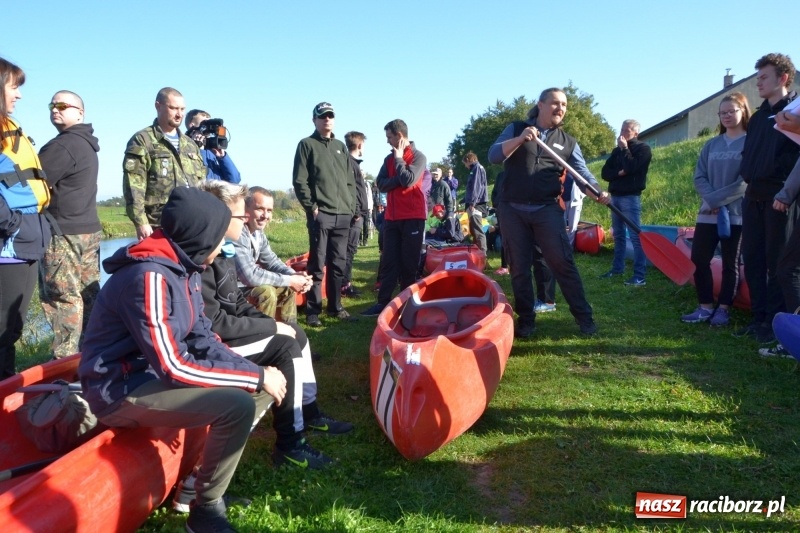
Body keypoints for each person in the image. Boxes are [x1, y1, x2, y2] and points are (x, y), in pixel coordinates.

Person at [79, 187, 285, 533]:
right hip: (118, 388)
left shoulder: (182, 268)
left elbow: (203, 338)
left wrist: (255, 373)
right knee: (237, 404)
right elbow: (173, 364)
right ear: (199, 236)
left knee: (257, 383)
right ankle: (204, 512)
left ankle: (200, 480)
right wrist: (252, 379)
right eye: (218, 240)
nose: (222, 249)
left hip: (149, 377)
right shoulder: (149, 278)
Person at [197, 180, 352, 471]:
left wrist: (273, 322)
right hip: (211, 342)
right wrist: (272, 329)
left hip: (225, 327)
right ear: (218, 217)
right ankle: (290, 445)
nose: (246, 219)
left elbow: (235, 302)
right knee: (285, 346)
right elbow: (215, 320)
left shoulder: (221, 249)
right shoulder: (206, 256)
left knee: (296, 333)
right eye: (241, 214)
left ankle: (309, 412)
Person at [488, 87, 611, 338]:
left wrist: (598, 191)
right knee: (520, 267)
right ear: (541, 105)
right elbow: (494, 156)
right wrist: (521, 138)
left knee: (562, 262)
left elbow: (581, 173)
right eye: (555, 103)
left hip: (547, 209)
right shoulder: (516, 127)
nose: (560, 108)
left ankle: (584, 317)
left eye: (564, 105)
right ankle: (527, 320)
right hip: (512, 208)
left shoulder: (567, 142)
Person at [735, 53, 800, 346]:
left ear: (783, 78)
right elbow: (749, 155)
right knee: (753, 259)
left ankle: (777, 323)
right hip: (752, 198)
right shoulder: (760, 117)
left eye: (764, 77)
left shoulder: (795, 115)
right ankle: (758, 318)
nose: (758, 82)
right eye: (757, 77)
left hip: (780, 200)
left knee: (778, 263)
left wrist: (783, 191)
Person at [37, 90, 101, 359]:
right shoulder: (86, 144)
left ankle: (63, 370)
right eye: (52, 105)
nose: (55, 109)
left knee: (62, 299)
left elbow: (33, 186)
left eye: (63, 105)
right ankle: (94, 361)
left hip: (63, 233)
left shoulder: (63, 146)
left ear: (80, 113)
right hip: (88, 232)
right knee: (89, 298)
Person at [0, 58, 52, 379]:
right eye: (13, 87)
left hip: (26, 244)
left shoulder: (8, 130)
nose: (18, 95)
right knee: (3, 335)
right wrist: (14, 224)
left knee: (11, 333)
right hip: (9, 249)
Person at [680, 93, 750, 328]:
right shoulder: (712, 144)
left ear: (743, 111)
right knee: (699, 259)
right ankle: (705, 307)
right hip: (707, 215)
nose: (727, 116)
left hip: (736, 216)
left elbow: (745, 182)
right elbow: (699, 176)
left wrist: (716, 201)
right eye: (723, 113)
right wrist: (711, 201)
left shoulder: (750, 143)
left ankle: (723, 309)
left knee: (730, 263)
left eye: (732, 111)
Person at [292, 102, 356, 327]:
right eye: (322, 116)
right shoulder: (306, 145)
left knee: (338, 263)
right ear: (314, 120)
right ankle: (313, 310)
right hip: (322, 214)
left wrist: (353, 207)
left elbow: (350, 180)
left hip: (343, 214)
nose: (327, 119)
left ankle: (336, 306)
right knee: (317, 264)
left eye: (330, 116)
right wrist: (312, 207)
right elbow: (300, 181)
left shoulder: (340, 145)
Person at [361, 119, 427, 316]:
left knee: (409, 264)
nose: (387, 141)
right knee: (389, 261)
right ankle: (383, 303)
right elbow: (381, 184)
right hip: (392, 217)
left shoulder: (418, 157)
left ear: (400, 136)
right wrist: (398, 176)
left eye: (389, 137)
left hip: (413, 217)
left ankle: (407, 304)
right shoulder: (388, 159)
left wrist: (399, 161)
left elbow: (408, 180)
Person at [122, 87, 206, 241]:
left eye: (182, 109)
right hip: (159, 226)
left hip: (192, 224)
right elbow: (133, 186)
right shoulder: (143, 140)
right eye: (173, 108)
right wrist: (141, 222)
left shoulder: (190, 145)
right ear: (158, 106)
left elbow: (202, 185)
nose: (179, 114)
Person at [233, 187, 312, 324]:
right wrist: (289, 280)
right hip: (230, 291)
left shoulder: (258, 233)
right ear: (246, 209)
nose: (265, 215)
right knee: (266, 292)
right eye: (260, 209)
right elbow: (250, 275)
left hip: (245, 286)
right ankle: (264, 339)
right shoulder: (238, 233)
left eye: (269, 211)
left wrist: (294, 276)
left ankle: (289, 335)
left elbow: (272, 262)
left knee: (287, 288)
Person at [600, 119, 652, 287]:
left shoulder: (643, 149)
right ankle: (617, 269)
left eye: (628, 129)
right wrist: (619, 172)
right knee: (619, 235)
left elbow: (631, 167)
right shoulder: (616, 151)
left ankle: (639, 275)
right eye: (622, 128)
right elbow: (605, 173)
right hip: (615, 197)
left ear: (636, 133)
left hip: (630, 197)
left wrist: (624, 149)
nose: (623, 132)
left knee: (636, 236)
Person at [342, 131, 368, 298]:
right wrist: (357, 211)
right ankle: (344, 285)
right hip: (354, 215)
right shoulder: (350, 164)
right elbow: (351, 190)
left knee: (350, 249)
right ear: (359, 145)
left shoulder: (352, 164)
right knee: (349, 250)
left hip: (356, 214)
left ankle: (346, 282)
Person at [185, 109, 241, 184]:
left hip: (217, 194)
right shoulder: (183, 147)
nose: (208, 128)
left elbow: (234, 180)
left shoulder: (212, 150)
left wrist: (223, 157)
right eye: (204, 124)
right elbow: (200, 179)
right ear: (192, 125)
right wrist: (199, 150)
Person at [463, 152, 489, 254]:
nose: (465, 166)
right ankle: (477, 254)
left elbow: (476, 187)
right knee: (474, 230)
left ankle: (482, 255)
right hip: (473, 203)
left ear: (469, 160)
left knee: (478, 231)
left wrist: (473, 203)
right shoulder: (474, 169)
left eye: (465, 163)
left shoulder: (477, 168)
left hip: (476, 205)